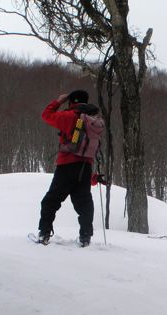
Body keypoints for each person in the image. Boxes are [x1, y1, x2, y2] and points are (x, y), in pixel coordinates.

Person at [37, 90, 106, 246]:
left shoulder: (69, 116)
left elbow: (46, 115)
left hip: (66, 166)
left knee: (50, 201)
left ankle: (44, 233)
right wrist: (93, 178)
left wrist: (58, 101)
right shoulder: (93, 121)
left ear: (71, 101)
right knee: (84, 203)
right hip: (85, 166)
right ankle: (85, 236)